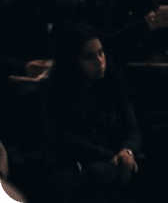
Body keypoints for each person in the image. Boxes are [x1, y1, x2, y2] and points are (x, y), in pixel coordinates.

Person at [41, 24, 140, 203]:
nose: (99, 61)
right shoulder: (58, 93)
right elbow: (65, 139)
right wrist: (111, 156)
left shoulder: (113, 85)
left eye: (101, 53)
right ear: (73, 60)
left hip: (113, 162)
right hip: (75, 163)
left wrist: (127, 152)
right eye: (89, 56)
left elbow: (132, 130)